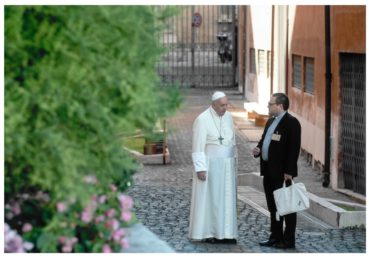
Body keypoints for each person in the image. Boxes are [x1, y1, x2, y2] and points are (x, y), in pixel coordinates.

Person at [252, 93, 301, 249]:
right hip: (268, 171)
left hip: (282, 174)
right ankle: (275, 236)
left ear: (280, 106)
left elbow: (294, 150)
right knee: (273, 207)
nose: (268, 106)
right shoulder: (270, 121)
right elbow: (264, 139)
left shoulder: (292, 123)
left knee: (287, 207)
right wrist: (258, 148)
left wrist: (289, 172)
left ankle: (288, 240)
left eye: (270, 104)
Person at [188, 91, 238, 244]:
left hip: (227, 166)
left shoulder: (228, 117)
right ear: (214, 104)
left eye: (226, 104)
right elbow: (197, 146)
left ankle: (227, 233)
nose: (225, 108)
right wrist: (200, 168)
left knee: (227, 199)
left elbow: (233, 140)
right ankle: (210, 232)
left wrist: (235, 160)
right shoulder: (202, 119)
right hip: (211, 166)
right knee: (212, 200)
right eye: (222, 105)